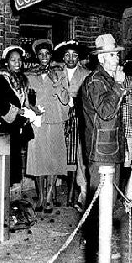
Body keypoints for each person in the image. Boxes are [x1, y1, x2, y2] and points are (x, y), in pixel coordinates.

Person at [80, 33, 127, 206]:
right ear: (101, 58)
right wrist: (119, 86)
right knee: (101, 203)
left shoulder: (108, 78)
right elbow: (106, 112)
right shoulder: (95, 81)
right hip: (102, 150)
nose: (117, 59)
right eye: (112, 55)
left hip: (111, 147)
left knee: (110, 200)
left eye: (117, 54)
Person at [26, 39, 71, 213]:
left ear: (51, 56)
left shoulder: (60, 73)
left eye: (47, 54)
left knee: (53, 160)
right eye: (41, 54)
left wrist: (55, 82)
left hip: (55, 120)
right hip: (38, 121)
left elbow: (66, 99)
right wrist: (32, 108)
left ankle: (50, 196)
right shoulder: (30, 75)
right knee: (38, 161)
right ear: (36, 56)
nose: (44, 57)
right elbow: (25, 98)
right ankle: (41, 198)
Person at [0, 45, 41, 190]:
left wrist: (32, 109)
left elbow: (25, 101)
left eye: (19, 60)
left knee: (15, 159)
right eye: (13, 60)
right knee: (7, 161)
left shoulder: (21, 79)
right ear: (6, 62)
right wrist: (18, 111)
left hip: (16, 126)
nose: (17, 63)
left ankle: (12, 192)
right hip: (5, 125)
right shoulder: (1, 79)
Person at [54, 40, 91, 210]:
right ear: (63, 56)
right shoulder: (56, 73)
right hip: (59, 119)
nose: (70, 58)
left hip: (79, 120)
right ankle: (52, 193)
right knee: (58, 153)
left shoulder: (87, 74)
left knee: (80, 156)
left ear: (79, 57)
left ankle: (82, 194)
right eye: (67, 55)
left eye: (74, 55)